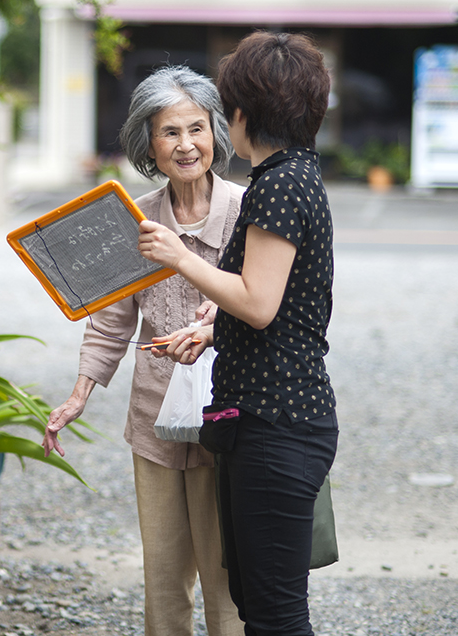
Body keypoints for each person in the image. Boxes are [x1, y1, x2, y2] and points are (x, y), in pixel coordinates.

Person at [137, 32, 338, 636]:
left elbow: (259, 303)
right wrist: (212, 325)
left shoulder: (276, 185)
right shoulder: (296, 174)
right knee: (259, 605)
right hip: (273, 418)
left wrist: (179, 257)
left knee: (275, 617)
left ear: (244, 115)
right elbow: (270, 300)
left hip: (278, 424)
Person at [42, 65, 245, 636]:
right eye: (170, 132)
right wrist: (79, 395)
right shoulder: (133, 218)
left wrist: (213, 326)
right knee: (162, 579)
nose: (186, 145)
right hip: (155, 419)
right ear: (148, 144)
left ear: (216, 135)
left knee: (227, 582)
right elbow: (109, 321)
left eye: (197, 129)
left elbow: (259, 303)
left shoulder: (246, 213)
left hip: (226, 417)